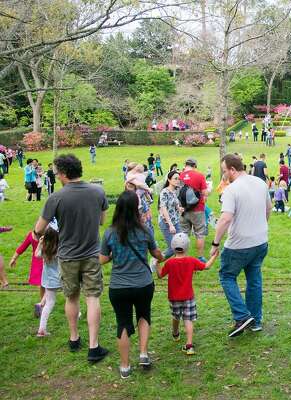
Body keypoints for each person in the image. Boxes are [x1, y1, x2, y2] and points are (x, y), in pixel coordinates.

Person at [33, 154, 110, 362]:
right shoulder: (98, 191)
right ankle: (94, 347)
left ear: (64, 173)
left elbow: (38, 229)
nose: (56, 176)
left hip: (67, 257)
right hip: (92, 254)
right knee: (92, 298)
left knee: (71, 297)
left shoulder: (55, 198)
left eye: (57, 173)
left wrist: (37, 234)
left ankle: (74, 338)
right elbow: (102, 221)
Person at [100, 190, 164, 378]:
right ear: (137, 208)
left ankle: (125, 367)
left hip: (119, 287)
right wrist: (161, 256)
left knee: (123, 324)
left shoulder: (110, 233)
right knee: (144, 316)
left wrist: (113, 255)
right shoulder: (144, 230)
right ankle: (143, 353)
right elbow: (156, 253)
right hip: (143, 284)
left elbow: (102, 259)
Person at [210, 154, 270, 336]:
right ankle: (255, 320)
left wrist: (215, 242)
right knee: (254, 279)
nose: (224, 174)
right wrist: (261, 227)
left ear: (232, 170)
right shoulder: (260, 182)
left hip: (238, 245)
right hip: (260, 241)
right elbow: (268, 209)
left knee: (227, 276)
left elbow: (225, 218)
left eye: (224, 170)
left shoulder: (231, 189)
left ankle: (242, 316)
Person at [158, 233, 218, 355]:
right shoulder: (191, 261)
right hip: (188, 297)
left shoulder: (169, 263)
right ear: (187, 247)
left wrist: (157, 263)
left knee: (175, 316)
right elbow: (206, 266)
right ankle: (189, 345)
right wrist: (215, 256)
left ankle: (175, 334)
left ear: (173, 246)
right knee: (188, 320)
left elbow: (160, 275)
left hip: (174, 297)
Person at [179, 158, 210, 260]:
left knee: (184, 234)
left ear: (185, 164)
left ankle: (183, 257)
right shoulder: (199, 175)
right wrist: (209, 190)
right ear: (195, 165)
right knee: (200, 233)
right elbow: (205, 193)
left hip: (183, 209)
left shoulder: (179, 175)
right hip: (198, 209)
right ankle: (200, 256)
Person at [35, 223, 61, 337]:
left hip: (48, 281)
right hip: (61, 279)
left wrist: (40, 244)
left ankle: (42, 329)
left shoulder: (44, 250)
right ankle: (77, 314)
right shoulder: (59, 250)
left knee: (49, 302)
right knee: (72, 298)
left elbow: (36, 255)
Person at [10, 230, 44, 313]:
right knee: (45, 284)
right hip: (45, 262)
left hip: (38, 263)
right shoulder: (49, 235)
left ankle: (43, 302)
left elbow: (22, 247)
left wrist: (14, 258)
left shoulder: (31, 235)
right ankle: (43, 303)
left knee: (42, 284)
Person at [158, 171, 184, 261]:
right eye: (175, 179)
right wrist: (170, 225)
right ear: (169, 180)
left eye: (179, 179)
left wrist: (179, 208)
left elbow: (174, 203)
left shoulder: (174, 191)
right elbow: (163, 208)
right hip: (166, 223)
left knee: (181, 244)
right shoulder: (164, 192)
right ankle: (156, 261)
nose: (178, 181)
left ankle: (178, 265)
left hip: (175, 222)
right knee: (172, 248)